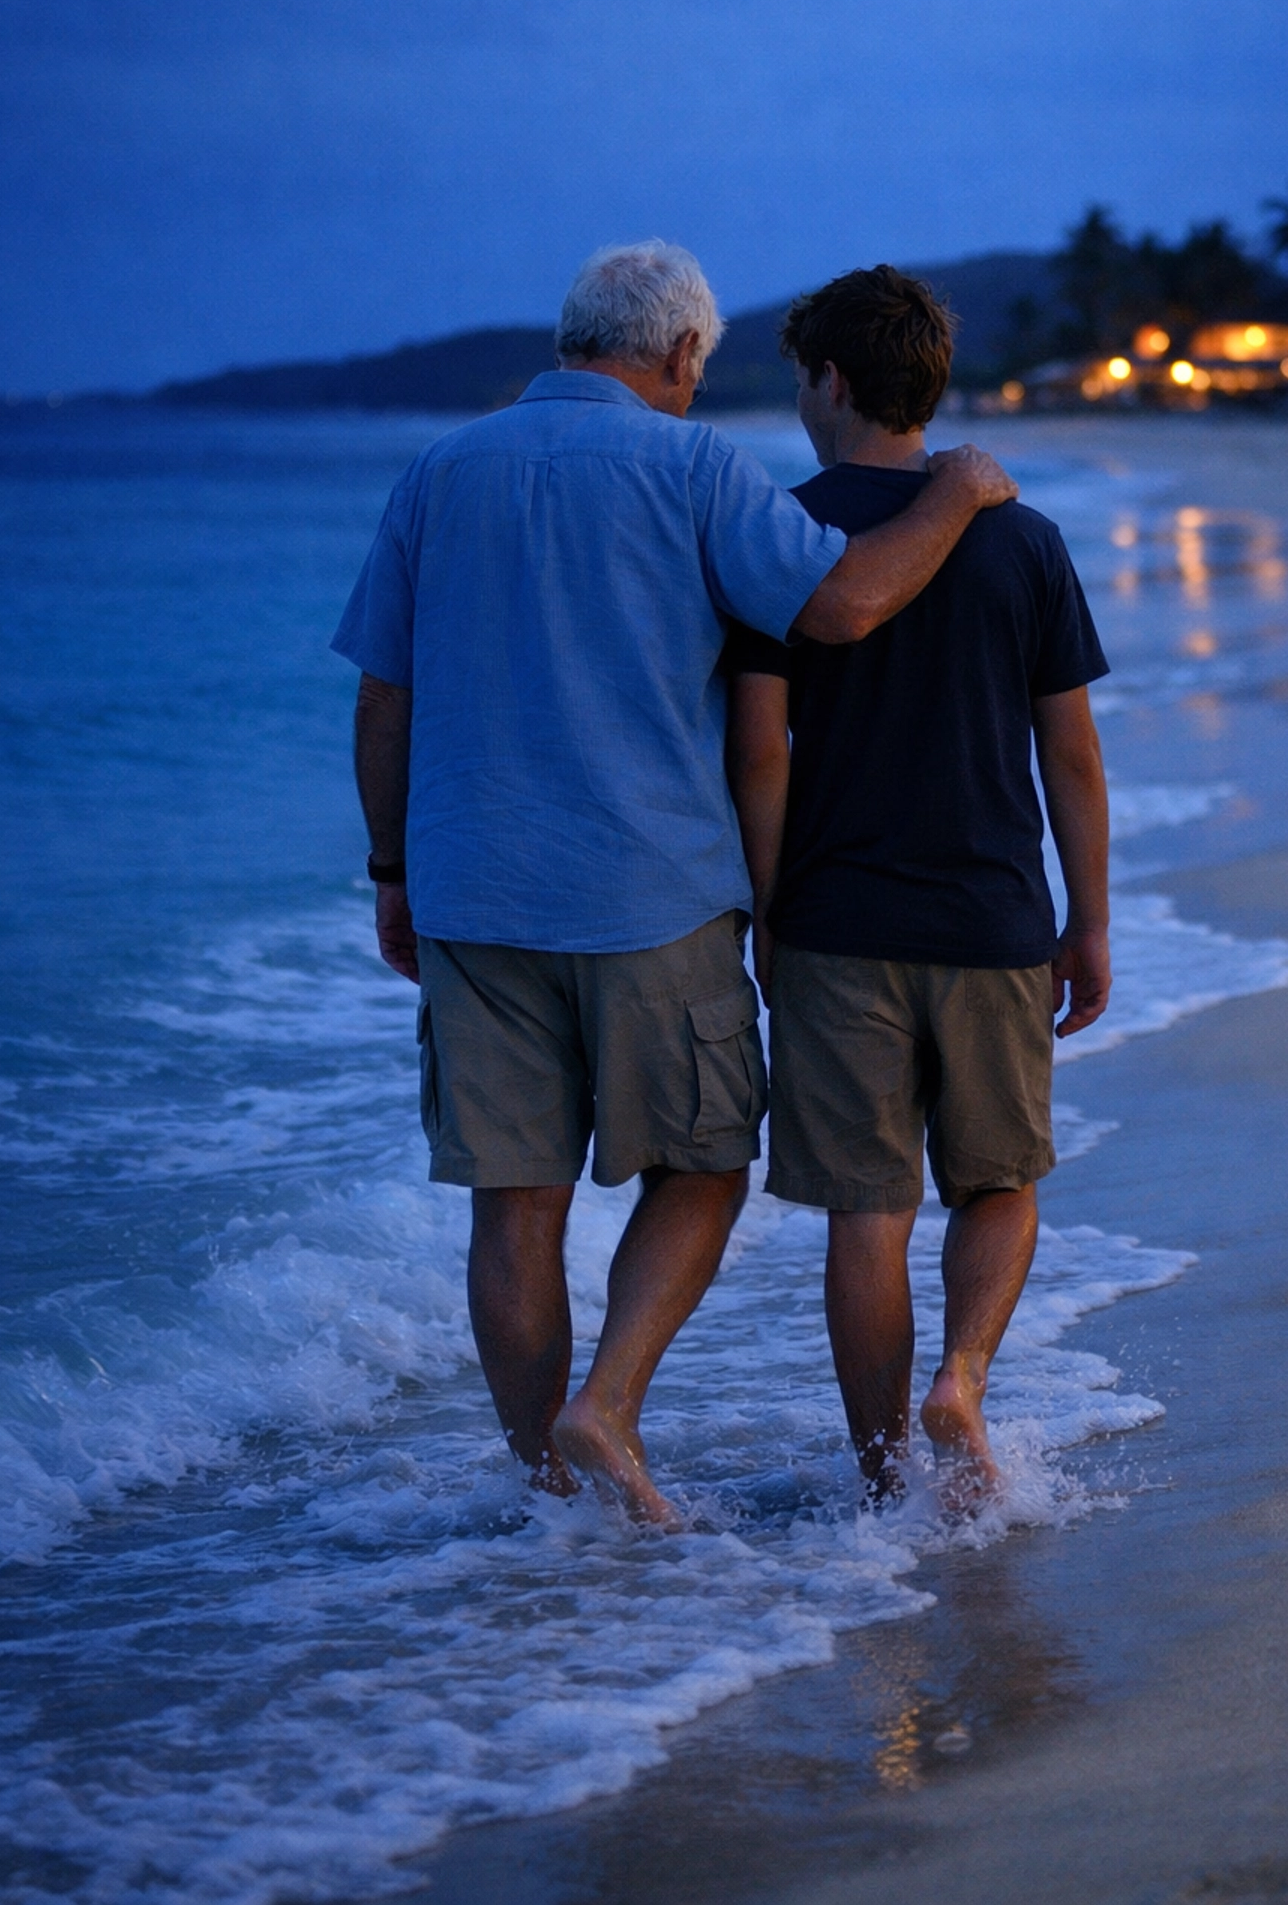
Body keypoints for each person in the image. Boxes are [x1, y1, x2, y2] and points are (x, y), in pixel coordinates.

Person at [332, 241, 1018, 1525]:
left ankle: (554, 1495)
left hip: (476, 896)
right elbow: (847, 606)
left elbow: (384, 694)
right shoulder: (698, 466)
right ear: (685, 354)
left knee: (514, 1200)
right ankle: (609, 1404)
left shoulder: (440, 471)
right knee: (701, 1166)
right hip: (657, 892)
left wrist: (390, 871)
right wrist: (959, 494)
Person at [725, 264, 1111, 1507]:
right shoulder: (1021, 539)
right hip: (994, 917)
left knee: (867, 1210)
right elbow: (1073, 754)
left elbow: (758, 752)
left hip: (840, 923)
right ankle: (963, 1378)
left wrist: (772, 908)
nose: (798, 399)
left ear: (831, 381)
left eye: (799, 377)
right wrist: (1088, 919)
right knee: (1000, 1181)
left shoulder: (778, 536)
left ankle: (888, 1479)